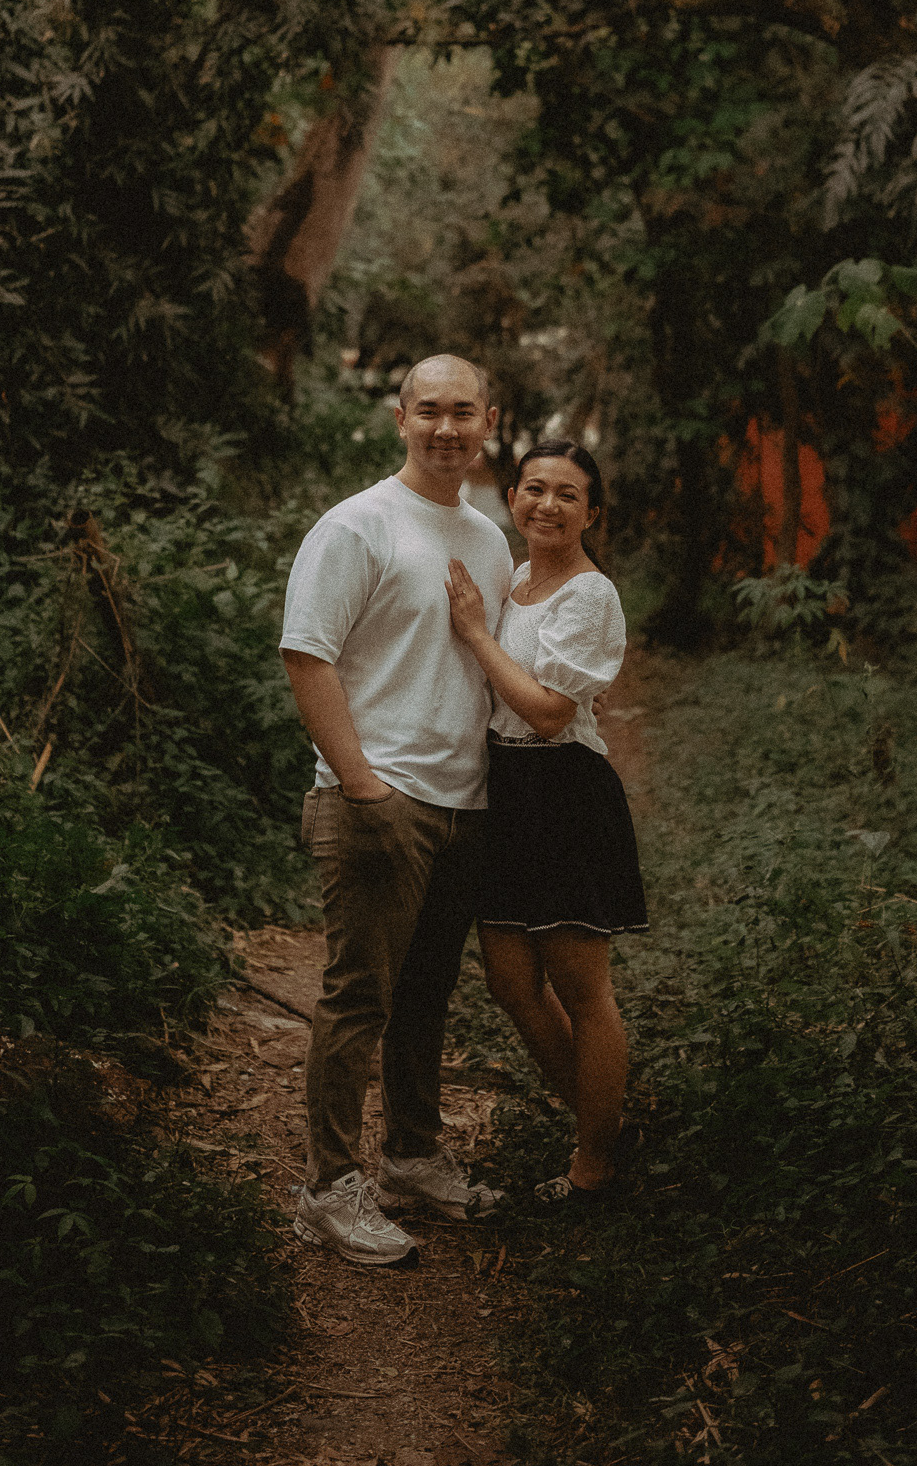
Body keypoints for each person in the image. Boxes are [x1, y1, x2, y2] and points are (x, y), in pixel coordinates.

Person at [280, 354, 515, 1264]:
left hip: (465, 804)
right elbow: (307, 654)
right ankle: (328, 1188)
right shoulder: (357, 525)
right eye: (429, 411)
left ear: (488, 421)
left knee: (425, 994)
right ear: (400, 419)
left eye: (463, 412)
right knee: (357, 998)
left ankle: (412, 1157)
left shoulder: (487, 537)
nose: (445, 428)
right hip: (382, 797)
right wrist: (361, 785)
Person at [444, 441, 647, 1203]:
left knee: (579, 984)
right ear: (512, 498)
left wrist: (476, 634)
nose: (547, 505)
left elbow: (550, 712)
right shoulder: (515, 578)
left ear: (592, 513)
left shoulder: (590, 595)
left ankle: (593, 1163)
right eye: (534, 488)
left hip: (563, 789)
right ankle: (606, 1122)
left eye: (567, 494)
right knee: (509, 981)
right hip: (505, 787)